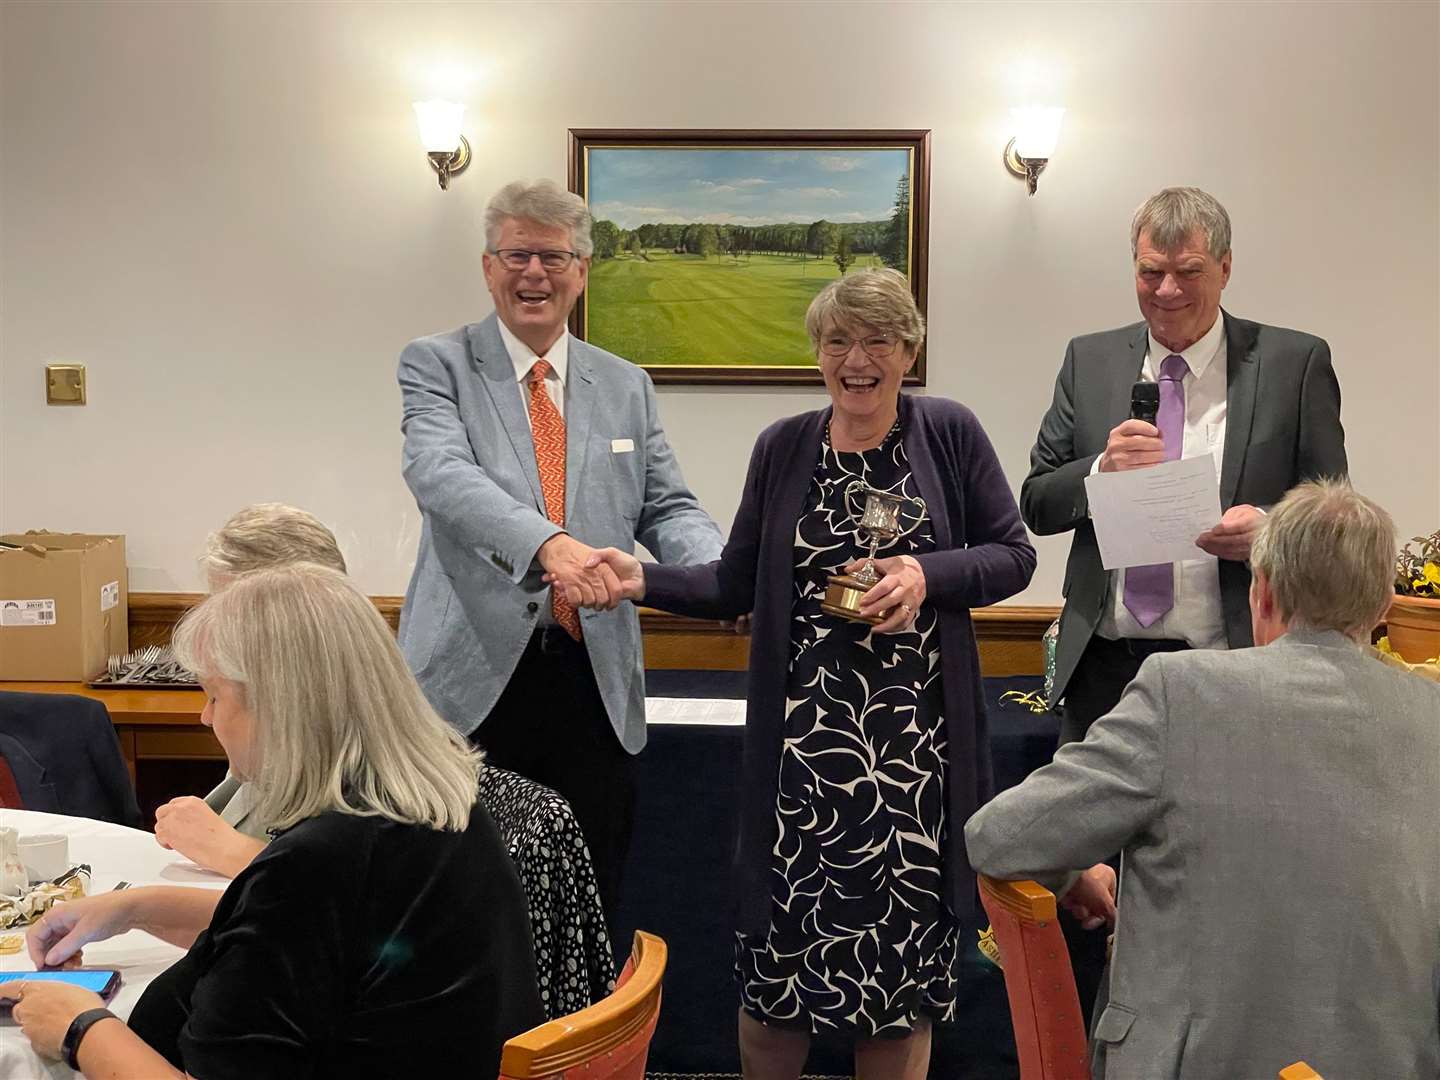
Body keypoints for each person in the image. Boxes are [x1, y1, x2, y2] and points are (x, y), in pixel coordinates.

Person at [576, 269, 1036, 1080]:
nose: (857, 359)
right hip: (797, 773)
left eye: (878, 341)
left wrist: (926, 576)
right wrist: (640, 576)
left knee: (894, 996)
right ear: (817, 353)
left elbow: (1013, 555)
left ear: (910, 350)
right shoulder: (784, 445)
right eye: (838, 341)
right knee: (774, 988)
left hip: (911, 773)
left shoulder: (948, 433)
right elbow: (733, 580)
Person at [965, 480, 1440, 1080]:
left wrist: (1071, 869)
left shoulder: (1181, 693)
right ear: (1383, 609)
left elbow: (998, 837)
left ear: (1261, 592)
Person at [0, 563, 543, 1078]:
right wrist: (134, 907)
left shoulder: (321, 860)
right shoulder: (431, 804)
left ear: (280, 708)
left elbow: (289, 919)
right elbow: (296, 935)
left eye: (215, 696)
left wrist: (78, 1028)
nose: (205, 716)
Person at [396, 178, 723, 914]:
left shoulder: (626, 384)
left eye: (553, 255)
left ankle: (585, 1035)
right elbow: (439, 474)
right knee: (460, 907)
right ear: (487, 267)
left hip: (592, 679)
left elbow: (667, 504)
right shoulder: (437, 364)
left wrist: (719, 576)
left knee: (589, 896)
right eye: (516, 254)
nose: (533, 273)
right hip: (469, 688)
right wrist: (552, 545)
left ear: (582, 270)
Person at [1022, 186, 1348, 749]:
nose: (1167, 291)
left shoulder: (1293, 364)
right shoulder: (1089, 360)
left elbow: (1336, 515)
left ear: (1225, 267)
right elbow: (1038, 504)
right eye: (1151, 273)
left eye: (1188, 271)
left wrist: (1274, 533)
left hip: (1234, 665)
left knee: (1228, 837)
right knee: (1095, 839)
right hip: (1104, 671)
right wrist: (1100, 469)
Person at [152, 503, 349, 878]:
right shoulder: (265, 710)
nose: (216, 625)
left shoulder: (359, 732)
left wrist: (233, 851)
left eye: (232, 612)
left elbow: (353, 895)